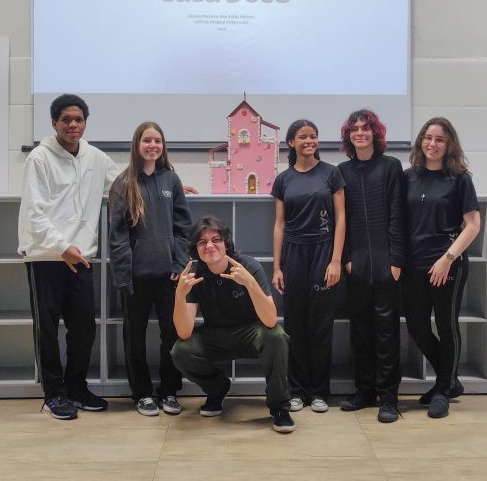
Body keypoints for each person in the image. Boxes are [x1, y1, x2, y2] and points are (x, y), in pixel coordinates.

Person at [18, 94, 119, 420]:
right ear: (54, 124)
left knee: (84, 328)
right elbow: (34, 213)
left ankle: (76, 387)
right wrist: (61, 246)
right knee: (47, 329)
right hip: (45, 256)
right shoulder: (39, 158)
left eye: (79, 120)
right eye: (66, 120)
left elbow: (124, 184)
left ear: (85, 123)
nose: (73, 125)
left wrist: (173, 184)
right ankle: (53, 393)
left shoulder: (95, 157)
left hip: (80, 258)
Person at [171, 216, 295, 434]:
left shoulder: (248, 266)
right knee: (180, 350)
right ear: (196, 249)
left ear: (226, 243)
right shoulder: (194, 274)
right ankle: (217, 389)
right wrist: (179, 296)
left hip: (251, 333)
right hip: (215, 335)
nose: (209, 246)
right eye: (202, 242)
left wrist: (250, 283)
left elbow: (270, 320)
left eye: (215, 240)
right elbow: (184, 332)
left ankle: (279, 407)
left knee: (276, 336)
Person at [109, 122, 192, 417]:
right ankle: (142, 393)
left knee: (172, 335)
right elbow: (117, 236)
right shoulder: (123, 183)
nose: (152, 145)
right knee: (135, 337)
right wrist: (124, 275)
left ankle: (169, 391)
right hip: (136, 278)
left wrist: (179, 263)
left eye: (157, 140)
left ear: (163, 145)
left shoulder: (172, 180)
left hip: (169, 276)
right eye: (147, 140)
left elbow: (184, 228)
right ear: (137, 144)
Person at [402, 117, 481, 419]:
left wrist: (447, 258)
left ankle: (443, 390)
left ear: (449, 145)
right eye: (428, 137)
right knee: (417, 327)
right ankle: (449, 380)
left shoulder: (460, 179)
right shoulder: (408, 177)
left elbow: (472, 225)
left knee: (447, 327)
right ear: (420, 141)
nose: (432, 144)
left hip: (447, 264)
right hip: (414, 265)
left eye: (439, 139)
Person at [272, 120, 345, 413]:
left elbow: (341, 219)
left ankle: (319, 392)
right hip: (293, 254)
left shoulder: (331, 173)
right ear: (291, 142)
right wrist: (277, 267)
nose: (309, 141)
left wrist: (335, 260)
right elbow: (279, 225)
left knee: (320, 325)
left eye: (313, 136)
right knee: (294, 325)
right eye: (303, 136)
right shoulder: (283, 179)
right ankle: (297, 391)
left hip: (323, 252)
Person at [338, 109, 405, 423]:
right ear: (348, 136)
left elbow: (398, 215)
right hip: (357, 263)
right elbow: (341, 220)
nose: (360, 133)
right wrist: (347, 259)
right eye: (354, 129)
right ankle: (364, 391)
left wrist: (396, 260)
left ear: (375, 134)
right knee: (361, 330)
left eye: (365, 128)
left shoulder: (391, 167)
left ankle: (388, 397)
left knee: (386, 332)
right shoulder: (342, 171)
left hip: (386, 262)